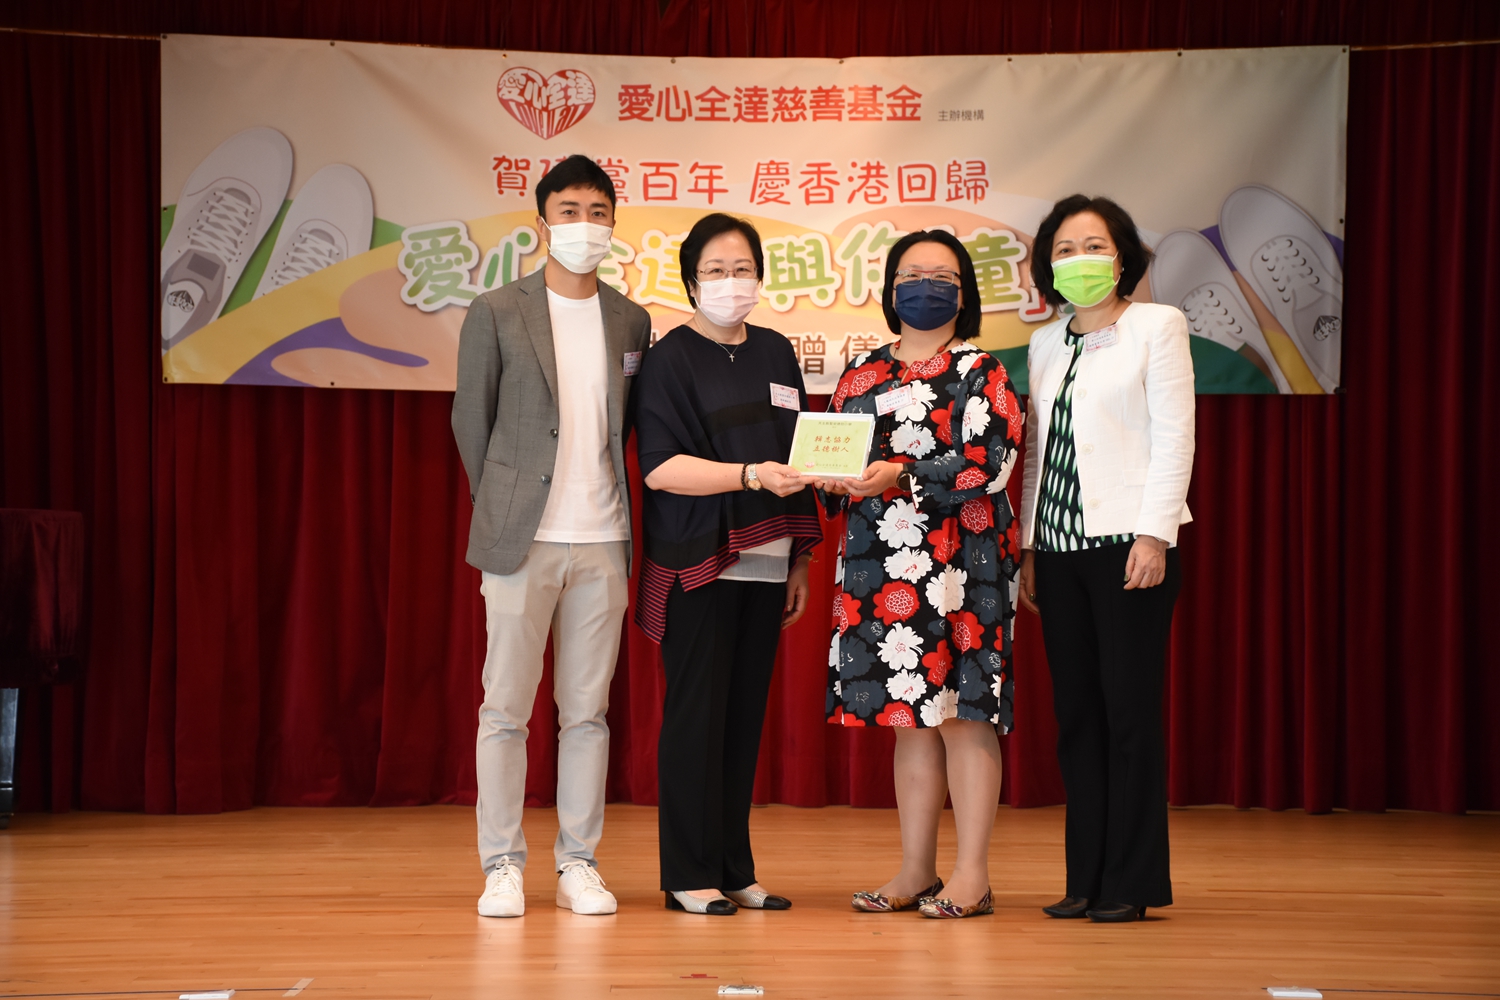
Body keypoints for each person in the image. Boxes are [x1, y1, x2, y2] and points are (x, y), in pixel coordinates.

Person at [452, 154, 652, 918]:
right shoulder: (497, 310)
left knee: (587, 713)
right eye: (569, 212)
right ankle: (501, 864)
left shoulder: (630, 320)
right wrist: (502, 503)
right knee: (505, 709)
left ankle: (578, 864)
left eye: (598, 213)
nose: (584, 226)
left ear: (613, 224)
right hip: (521, 540)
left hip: (603, 537)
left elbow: (624, 426)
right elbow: (471, 420)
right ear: (542, 224)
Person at [818, 230, 1024, 920]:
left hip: (963, 565)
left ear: (963, 293)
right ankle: (915, 868)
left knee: (963, 717)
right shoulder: (861, 372)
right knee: (909, 719)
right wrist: (828, 477)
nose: (924, 286)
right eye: (911, 274)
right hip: (880, 564)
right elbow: (834, 459)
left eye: (942, 275)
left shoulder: (981, 370)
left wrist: (899, 474)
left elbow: (989, 465)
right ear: (890, 288)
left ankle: (972, 876)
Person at [633, 213, 823, 916]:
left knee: (742, 721)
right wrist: (747, 475)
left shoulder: (775, 350)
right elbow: (660, 468)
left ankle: (734, 869)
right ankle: (688, 874)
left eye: (742, 268)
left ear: (760, 277)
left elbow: (801, 452)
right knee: (696, 720)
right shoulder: (670, 359)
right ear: (691, 282)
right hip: (700, 561)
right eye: (715, 270)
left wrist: (800, 558)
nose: (730, 281)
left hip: (768, 561)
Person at [1016, 194, 1195, 923]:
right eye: (1064, 250)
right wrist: (1030, 546)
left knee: (1129, 715)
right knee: (1078, 717)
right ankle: (1084, 877)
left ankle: (1131, 880)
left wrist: (1155, 535)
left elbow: (1175, 435)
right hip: (1058, 552)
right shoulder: (1044, 343)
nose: (1079, 260)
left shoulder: (1157, 325)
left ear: (1122, 257)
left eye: (1093, 246)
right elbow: (1038, 452)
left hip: (1129, 547)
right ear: (1047, 266)